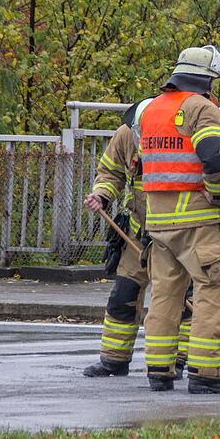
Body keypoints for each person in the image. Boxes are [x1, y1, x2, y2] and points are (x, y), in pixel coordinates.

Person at [135, 45, 220, 393]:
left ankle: (159, 370)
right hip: (198, 220)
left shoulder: (151, 110)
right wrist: (219, 193)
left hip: (159, 221)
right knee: (211, 290)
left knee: (165, 294)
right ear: (206, 79)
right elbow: (214, 157)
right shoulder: (201, 108)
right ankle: (206, 374)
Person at [81, 113, 193, 379]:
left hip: (175, 236)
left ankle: (177, 361)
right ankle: (113, 360)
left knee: (180, 300)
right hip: (136, 235)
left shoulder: (183, 134)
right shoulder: (125, 135)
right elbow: (110, 172)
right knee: (123, 296)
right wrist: (102, 196)